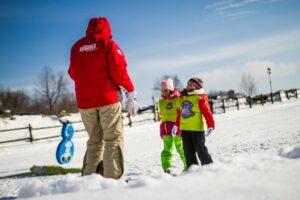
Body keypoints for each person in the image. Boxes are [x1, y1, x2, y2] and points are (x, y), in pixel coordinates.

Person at [68, 17, 138, 179]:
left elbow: (72, 73)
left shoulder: (76, 47)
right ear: (107, 29)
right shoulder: (107, 44)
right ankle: (111, 181)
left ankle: (87, 180)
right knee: (112, 139)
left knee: (94, 141)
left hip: (85, 102)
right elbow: (119, 72)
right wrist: (130, 91)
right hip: (107, 100)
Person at [177, 77, 214, 169]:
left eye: (191, 84)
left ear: (197, 87)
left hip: (197, 129)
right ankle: (192, 169)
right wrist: (176, 125)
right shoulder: (182, 98)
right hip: (185, 130)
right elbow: (179, 113)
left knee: (200, 149)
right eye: (187, 84)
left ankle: (209, 166)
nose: (188, 86)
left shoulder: (200, 98)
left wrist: (211, 125)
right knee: (188, 151)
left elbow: (207, 112)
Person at [158, 79, 186, 174]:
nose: (164, 92)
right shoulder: (161, 102)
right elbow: (162, 118)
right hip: (166, 129)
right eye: (162, 90)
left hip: (177, 128)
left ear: (171, 89)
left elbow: (182, 113)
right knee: (167, 148)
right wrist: (161, 129)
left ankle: (188, 164)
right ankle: (167, 167)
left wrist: (180, 126)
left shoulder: (178, 99)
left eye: (165, 90)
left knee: (180, 147)